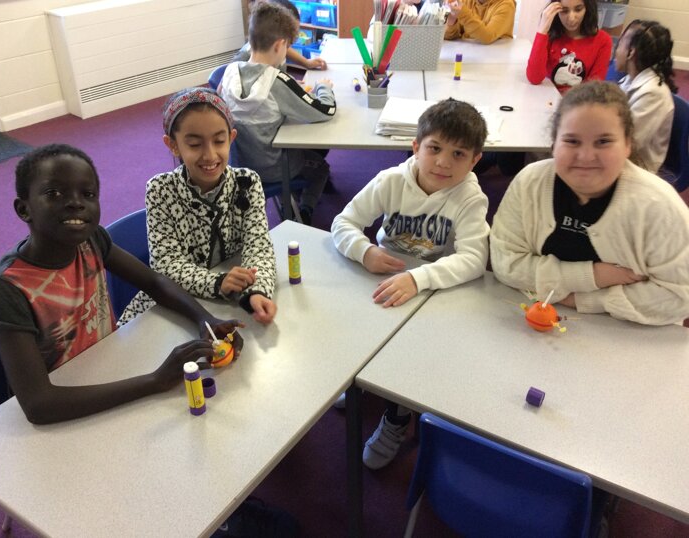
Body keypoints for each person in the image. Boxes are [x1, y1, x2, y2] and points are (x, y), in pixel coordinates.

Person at [0, 144, 243, 425]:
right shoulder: (6, 289)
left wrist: (205, 319)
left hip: (108, 369)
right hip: (64, 405)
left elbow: (154, 282)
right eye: (54, 193)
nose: (76, 203)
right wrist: (155, 381)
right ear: (24, 209)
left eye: (88, 194)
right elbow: (39, 405)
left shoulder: (91, 240)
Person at [332, 99, 490, 468]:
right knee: (354, 328)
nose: (443, 163)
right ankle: (359, 380)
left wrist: (419, 278)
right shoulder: (391, 180)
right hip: (383, 276)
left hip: (433, 290)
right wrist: (364, 251)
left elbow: (474, 259)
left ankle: (398, 414)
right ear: (416, 147)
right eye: (434, 148)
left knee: (411, 356)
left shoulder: (470, 198)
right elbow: (344, 222)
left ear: (475, 160)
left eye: (458, 154)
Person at [490, 81, 689, 326]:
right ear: (554, 144)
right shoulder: (530, 183)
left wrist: (583, 301)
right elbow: (505, 263)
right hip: (533, 323)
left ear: (628, 144)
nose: (585, 156)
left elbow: (679, 297)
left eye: (603, 141)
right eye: (572, 141)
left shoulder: (659, 207)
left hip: (630, 332)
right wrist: (593, 276)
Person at [119, 88, 278, 326]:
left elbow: (258, 246)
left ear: (231, 138)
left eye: (219, 141)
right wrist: (217, 282)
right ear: (173, 145)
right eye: (194, 144)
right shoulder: (160, 190)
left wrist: (257, 290)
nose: (210, 155)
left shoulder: (247, 182)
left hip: (225, 306)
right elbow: (165, 265)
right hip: (173, 305)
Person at [221, 2, 336, 225]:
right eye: (287, 46)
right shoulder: (277, 81)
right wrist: (324, 88)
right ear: (280, 45)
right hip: (277, 168)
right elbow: (325, 111)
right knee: (321, 168)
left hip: (239, 165)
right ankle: (304, 210)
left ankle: (288, 203)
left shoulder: (230, 72)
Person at [614, 20, 676, 174]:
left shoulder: (653, 94)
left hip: (636, 168)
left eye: (620, 44)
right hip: (620, 158)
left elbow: (628, 142)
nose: (615, 49)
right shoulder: (629, 80)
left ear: (631, 52)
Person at [526, 0, 612, 94]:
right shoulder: (550, 35)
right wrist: (542, 30)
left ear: (588, 8)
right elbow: (534, 78)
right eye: (564, 11)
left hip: (578, 101)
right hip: (547, 96)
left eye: (578, 9)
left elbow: (594, 89)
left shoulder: (603, 40)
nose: (571, 18)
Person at [234, 0, 328, 71]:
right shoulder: (242, 60)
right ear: (278, 45)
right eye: (289, 39)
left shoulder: (273, 44)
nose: (291, 44)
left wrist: (306, 62)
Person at [443, 0, 517, 44]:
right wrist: (452, 19)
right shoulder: (466, 1)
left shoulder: (507, 4)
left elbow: (487, 37)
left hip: (496, 58)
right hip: (469, 55)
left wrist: (462, 13)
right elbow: (449, 36)